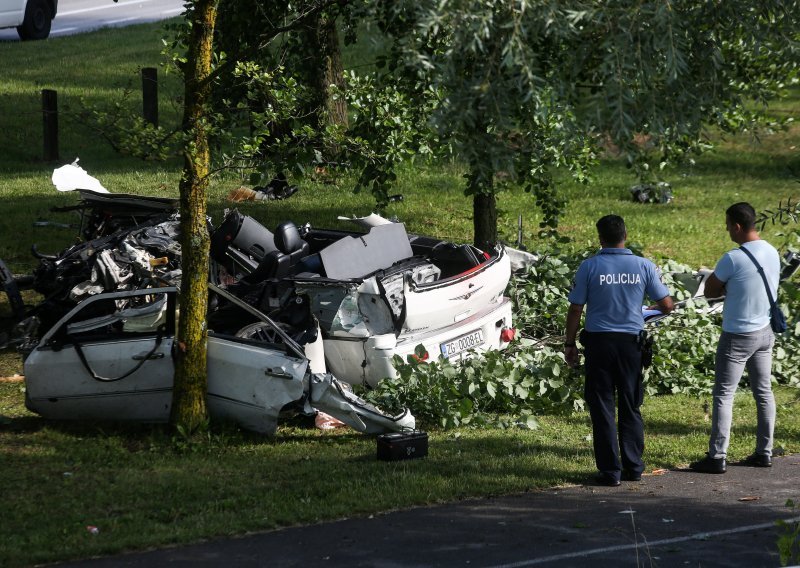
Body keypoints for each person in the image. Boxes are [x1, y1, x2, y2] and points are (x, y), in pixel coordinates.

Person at [565, 215, 674, 487]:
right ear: (626, 235)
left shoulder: (589, 267)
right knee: (630, 404)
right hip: (630, 345)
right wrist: (644, 311)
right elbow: (667, 305)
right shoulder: (643, 266)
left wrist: (569, 344)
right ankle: (634, 467)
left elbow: (576, 307)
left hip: (599, 344)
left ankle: (610, 471)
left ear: (600, 238)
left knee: (602, 406)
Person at [690, 202, 780, 474]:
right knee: (763, 392)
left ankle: (717, 456)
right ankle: (764, 451)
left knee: (724, 394)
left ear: (738, 226)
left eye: (728, 225)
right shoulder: (772, 250)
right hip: (765, 331)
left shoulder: (733, 257)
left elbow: (710, 291)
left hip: (738, 335)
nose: (727, 230)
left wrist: (726, 285)